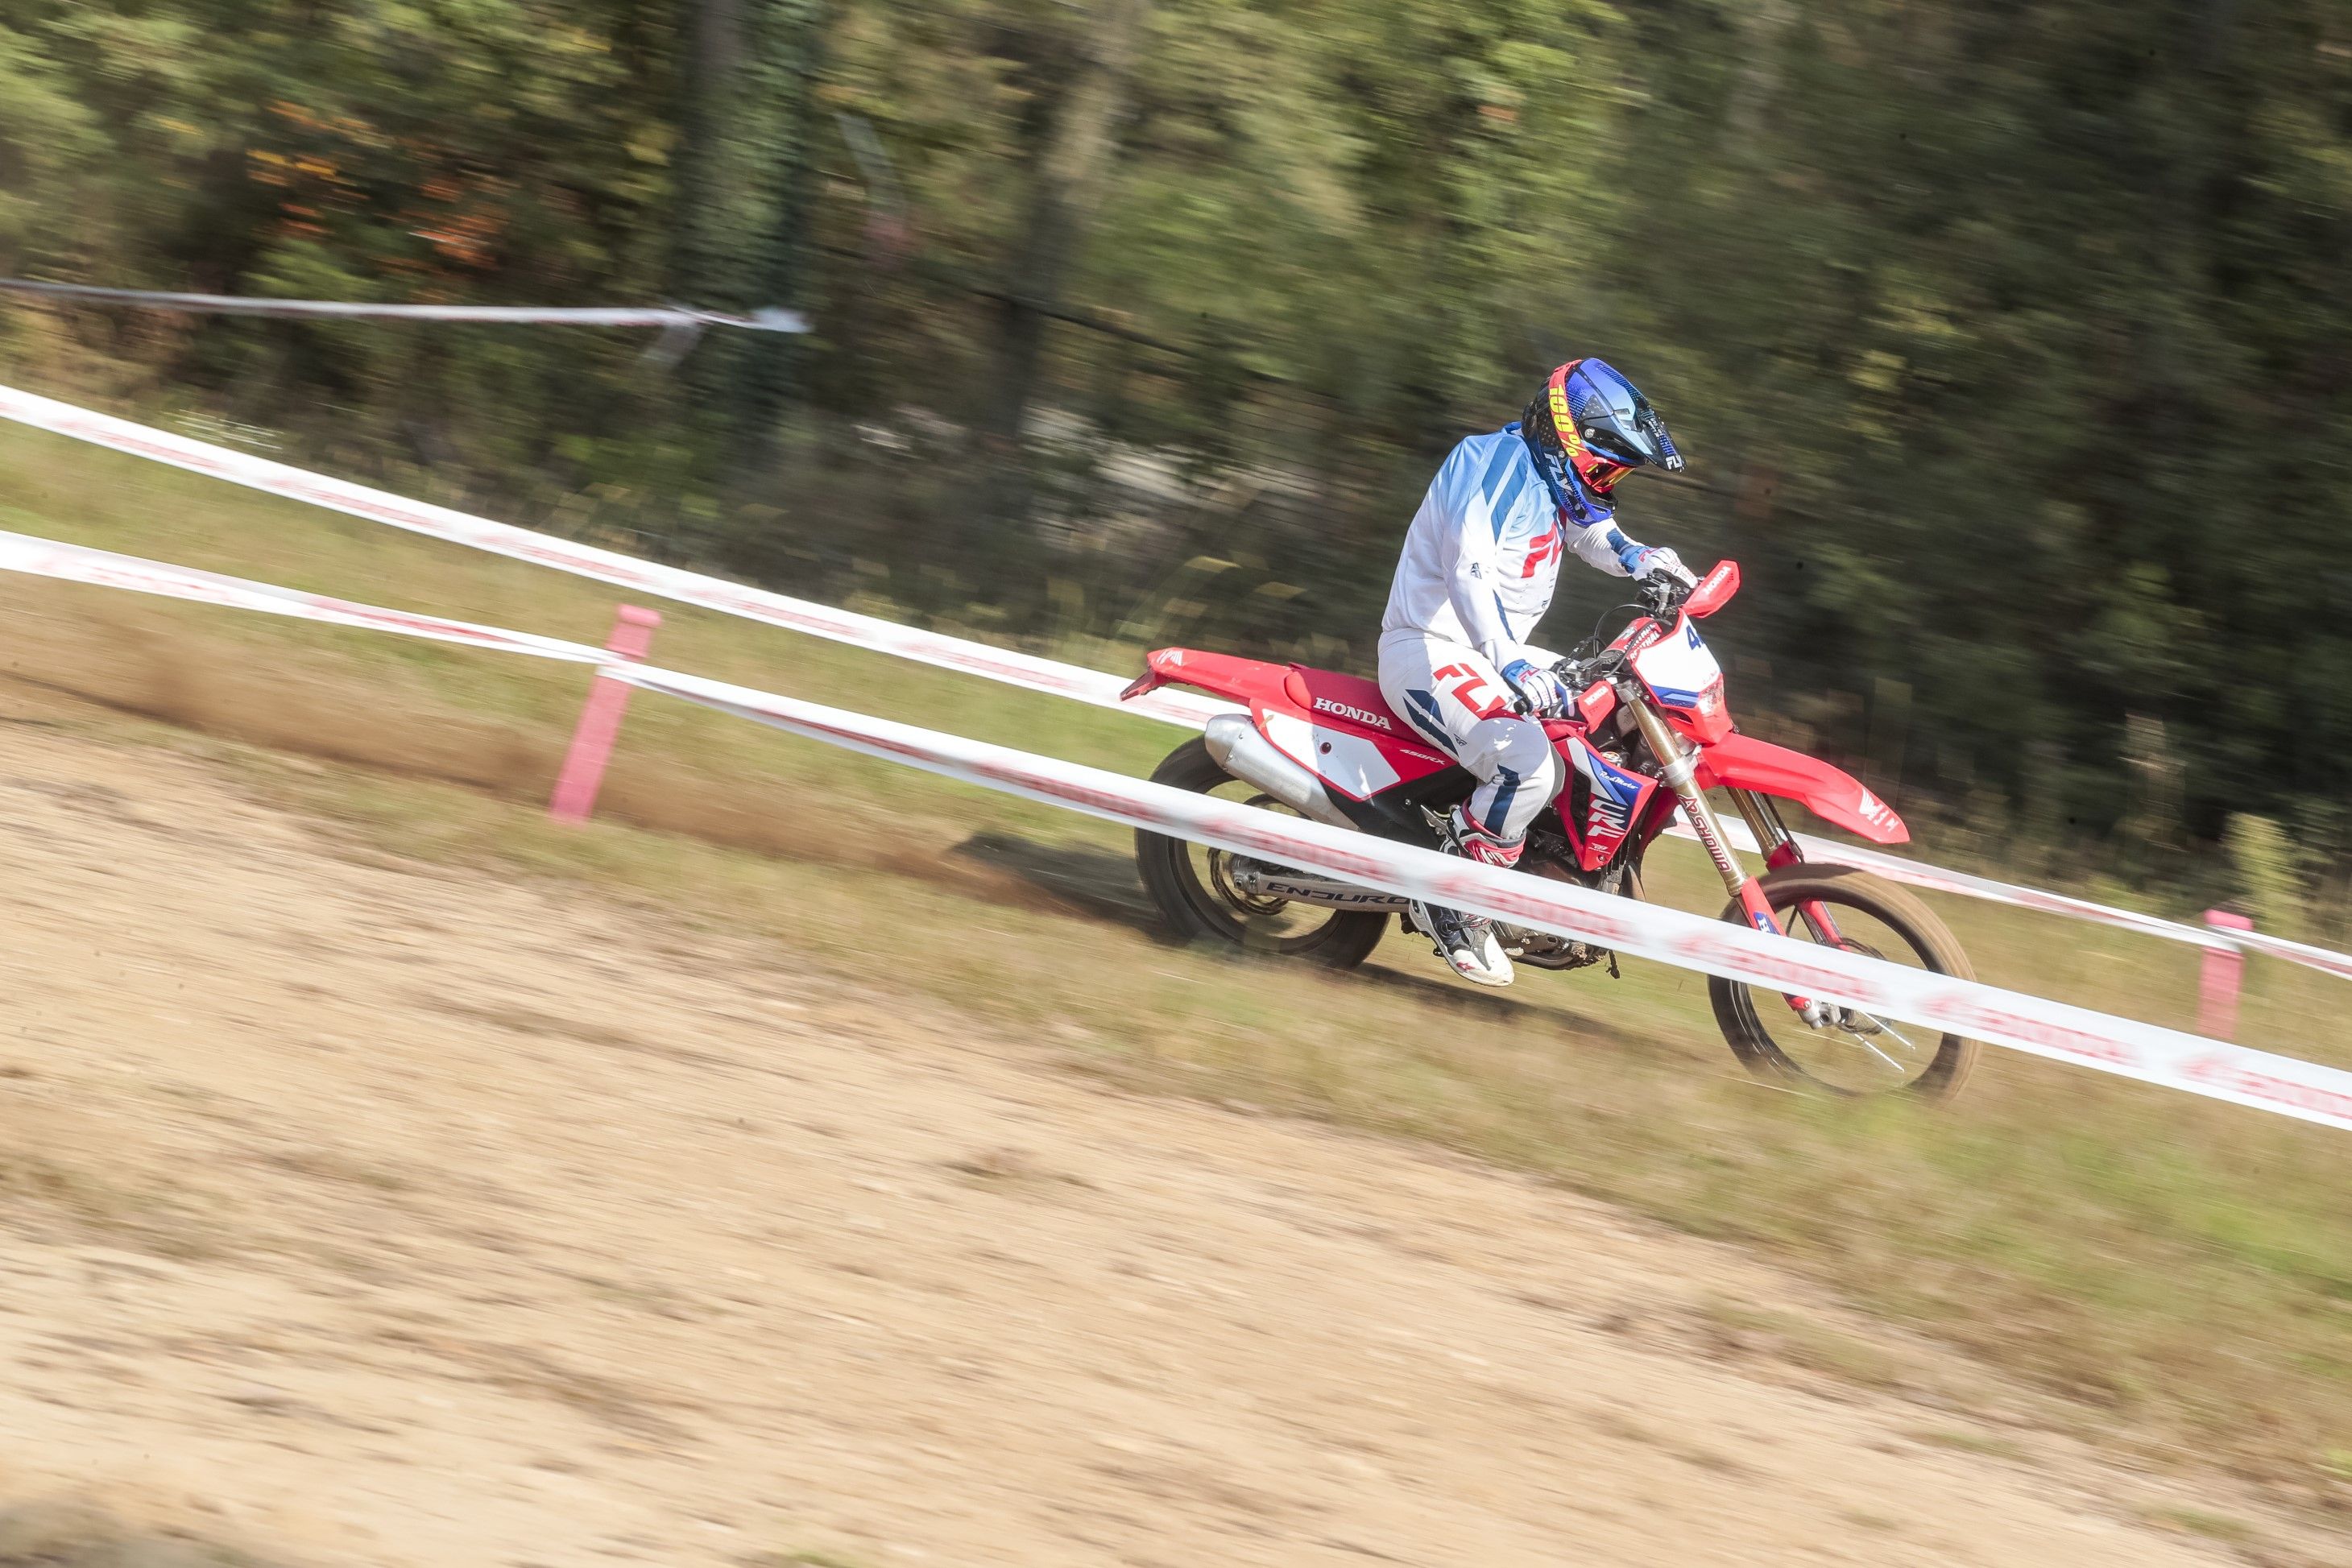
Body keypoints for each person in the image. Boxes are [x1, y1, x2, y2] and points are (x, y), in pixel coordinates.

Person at [1377, 358, 1692, 987]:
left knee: (1626, 709)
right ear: (1565, 440)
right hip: (1430, 647)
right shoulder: (1491, 464)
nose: (1608, 481)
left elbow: (1591, 531)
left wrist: (1643, 560)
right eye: (1604, 467)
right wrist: (1510, 657)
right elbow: (1469, 568)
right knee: (1528, 764)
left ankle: (1556, 869)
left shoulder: (1550, 480)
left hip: (1483, 649)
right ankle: (1452, 898)